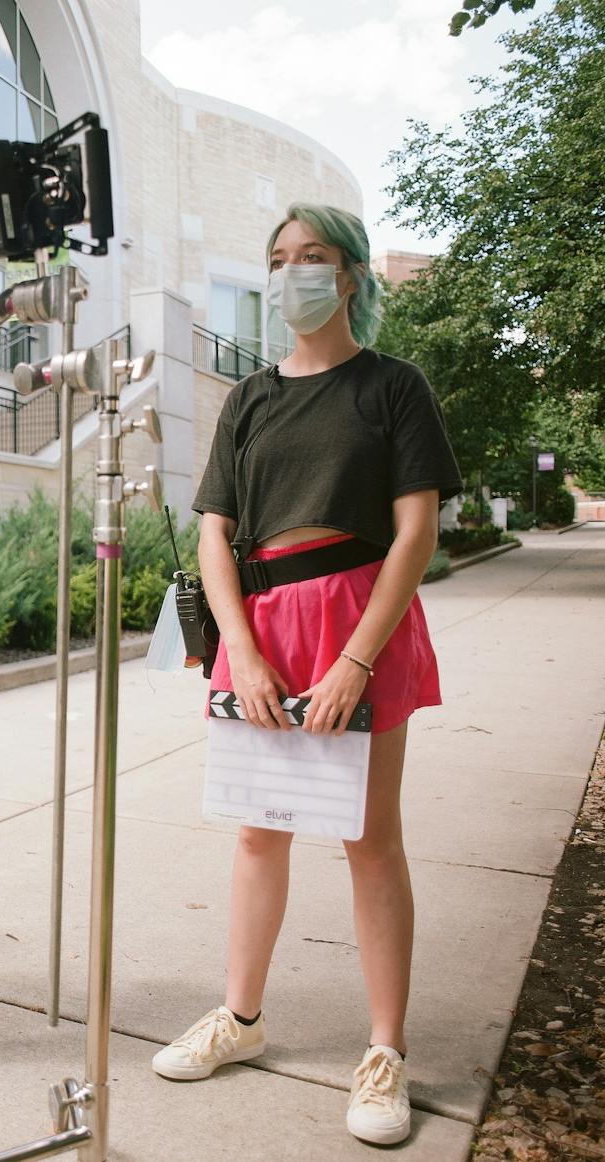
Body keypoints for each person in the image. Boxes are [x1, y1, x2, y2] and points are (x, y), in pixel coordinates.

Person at [151, 204, 462, 1146]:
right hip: (263, 625)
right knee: (259, 834)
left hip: (359, 617)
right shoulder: (250, 398)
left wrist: (357, 659)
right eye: (279, 261)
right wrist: (239, 648)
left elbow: (416, 531)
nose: (293, 275)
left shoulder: (392, 387)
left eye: (313, 258)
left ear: (352, 276)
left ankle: (385, 1053)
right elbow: (214, 531)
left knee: (370, 839)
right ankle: (240, 1021)